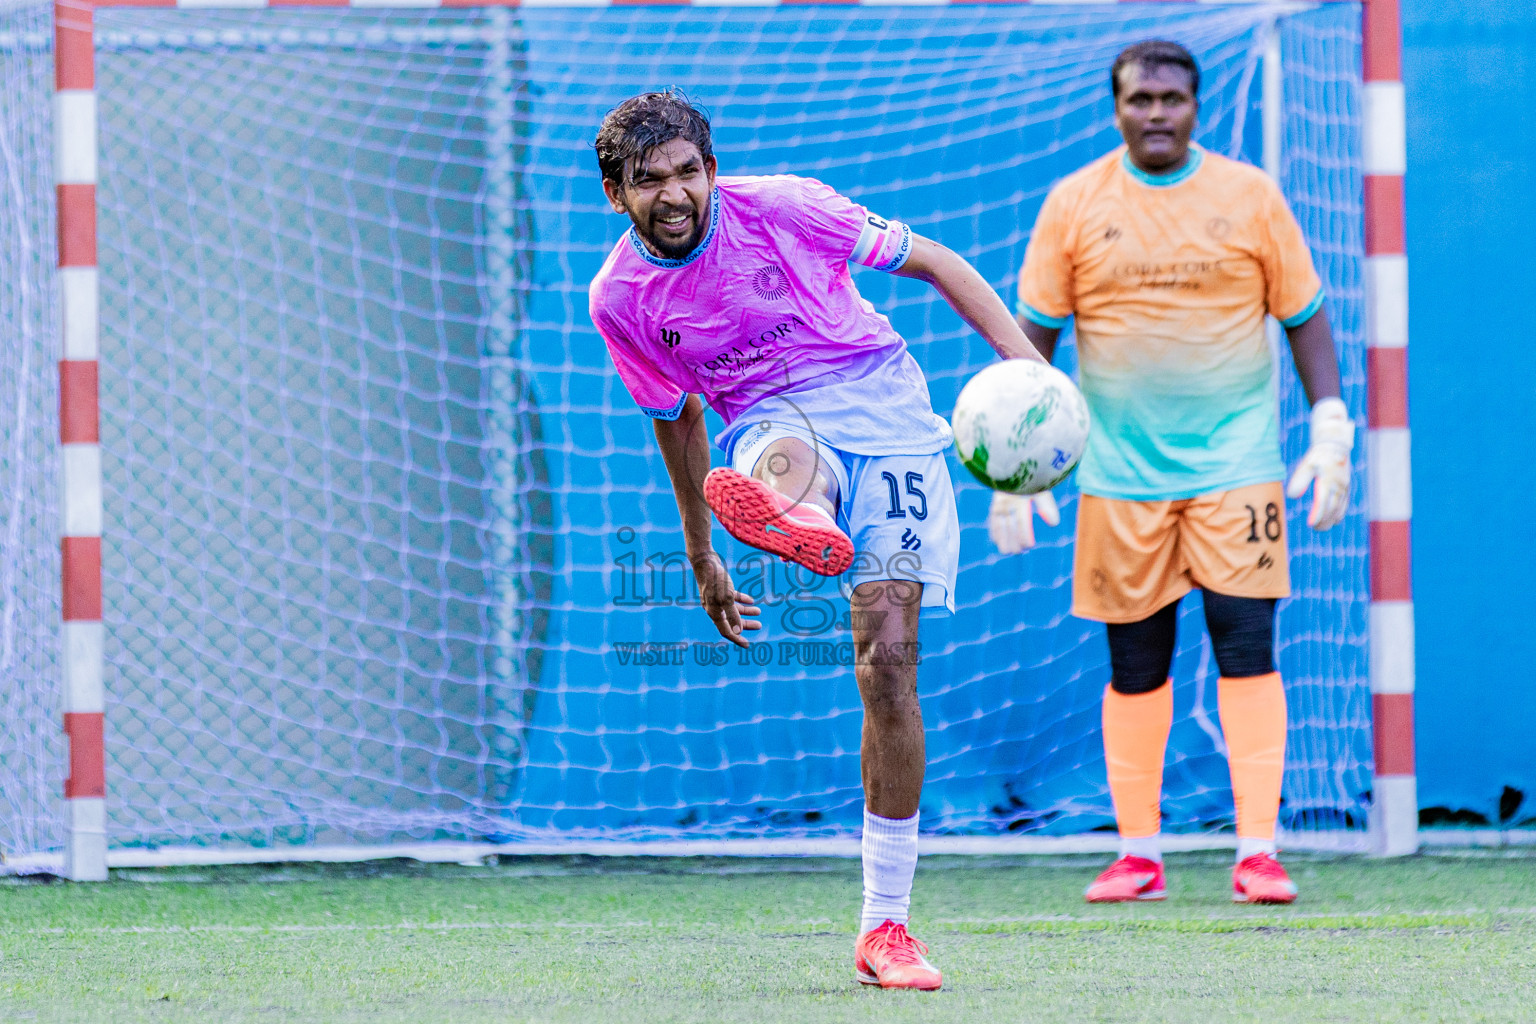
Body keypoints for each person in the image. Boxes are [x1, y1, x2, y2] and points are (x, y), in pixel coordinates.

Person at [588, 91, 1045, 989]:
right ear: (617, 194)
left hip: (890, 413)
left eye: (688, 172)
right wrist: (701, 554)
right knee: (783, 453)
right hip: (770, 417)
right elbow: (678, 420)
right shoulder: (621, 299)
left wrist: (1027, 369)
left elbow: (936, 262)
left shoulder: (786, 207)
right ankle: (795, 511)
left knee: (888, 665)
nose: (674, 194)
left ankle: (886, 929)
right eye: (649, 180)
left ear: (712, 170)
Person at [998, 40, 1354, 904]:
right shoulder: (1076, 202)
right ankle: (1139, 855)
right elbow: (1031, 338)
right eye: (1139, 99)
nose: (1155, 113)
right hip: (1119, 476)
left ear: (1195, 106)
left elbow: (1304, 314)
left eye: (1171, 99)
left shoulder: (1250, 195)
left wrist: (1331, 426)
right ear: (1117, 108)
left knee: (1247, 646)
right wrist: (1017, 467)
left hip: (1238, 468)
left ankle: (1258, 852)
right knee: (1135, 663)